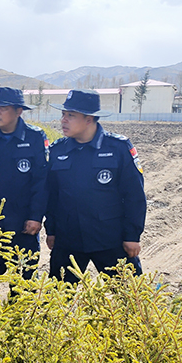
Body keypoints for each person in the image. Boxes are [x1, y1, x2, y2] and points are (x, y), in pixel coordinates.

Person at [45, 89, 146, 283]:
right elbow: (52, 196)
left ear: (89, 119)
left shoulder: (118, 148)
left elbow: (134, 195)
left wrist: (132, 235)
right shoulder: (57, 151)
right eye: (63, 115)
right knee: (56, 301)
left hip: (110, 239)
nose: (63, 120)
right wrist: (51, 230)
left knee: (130, 299)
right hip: (69, 240)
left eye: (71, 116)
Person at [0, 87, 49, 295]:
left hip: (24, 222)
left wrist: (35, 216)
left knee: (23, 282)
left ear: (18, 111)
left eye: (2, 108)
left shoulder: (34, 138)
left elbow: (41, 182)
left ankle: (19, 324)